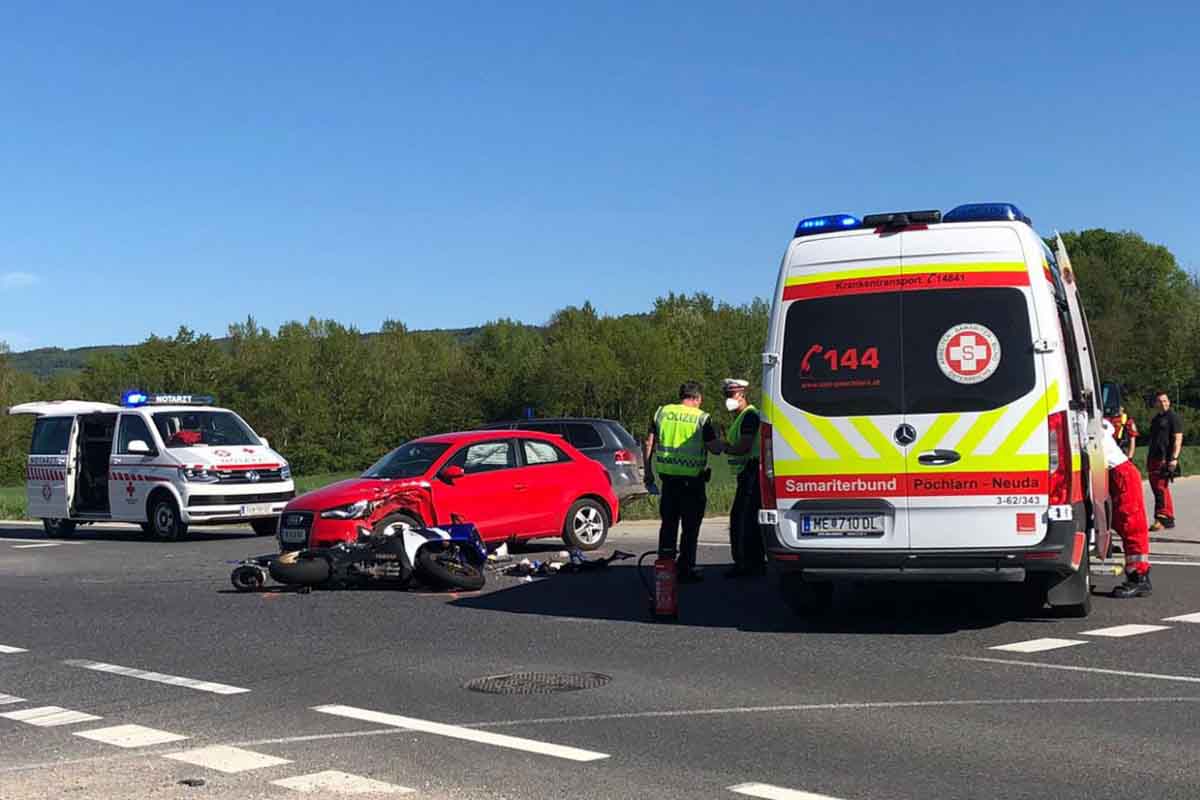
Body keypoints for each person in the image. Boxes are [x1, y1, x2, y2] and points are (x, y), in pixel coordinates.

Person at [644, 381, 723, 583]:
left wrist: (648, 471)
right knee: (690, 527)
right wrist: (724, 443)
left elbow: (649, 442)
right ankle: (686, 568)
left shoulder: (661, 412)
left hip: (668, 482)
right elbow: (713, 448)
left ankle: (665, 566)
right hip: (692, 483)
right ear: (697, 398)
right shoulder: (702, 418)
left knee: (668, 525)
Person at [1102, 420, 1152, 598]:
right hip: (1117, 475)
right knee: (1122, 523)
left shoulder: (1087, 421)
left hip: (1121, 475)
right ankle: (1137, 575)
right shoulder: (1097, 422)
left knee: (1131, 525)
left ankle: (1140, 578)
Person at [721, 378, 764, 578]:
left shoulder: (749, 416)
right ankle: (751, 561)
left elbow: (745, 446)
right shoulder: (742, 417)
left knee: (743, 519)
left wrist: (725, 447)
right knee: (746, 518)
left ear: (742, 395)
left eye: (731, 395)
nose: (728, 399)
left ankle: (746, 563)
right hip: (746, 473)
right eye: (726, 395)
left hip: (751, 472)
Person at [1147, 392, 1184, 531]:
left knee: (1160, 488)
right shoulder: (1156, 419)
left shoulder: (1173, 418)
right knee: (1157, 488)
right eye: (1159, 401)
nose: (1163, 403)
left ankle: (1162, 518)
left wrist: (1174, 458)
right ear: (1156, 404)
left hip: (1164, 458)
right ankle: (1166, 518)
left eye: (1165, 400)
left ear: (1169, 402)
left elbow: (1178, 439)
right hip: (1153, 457)